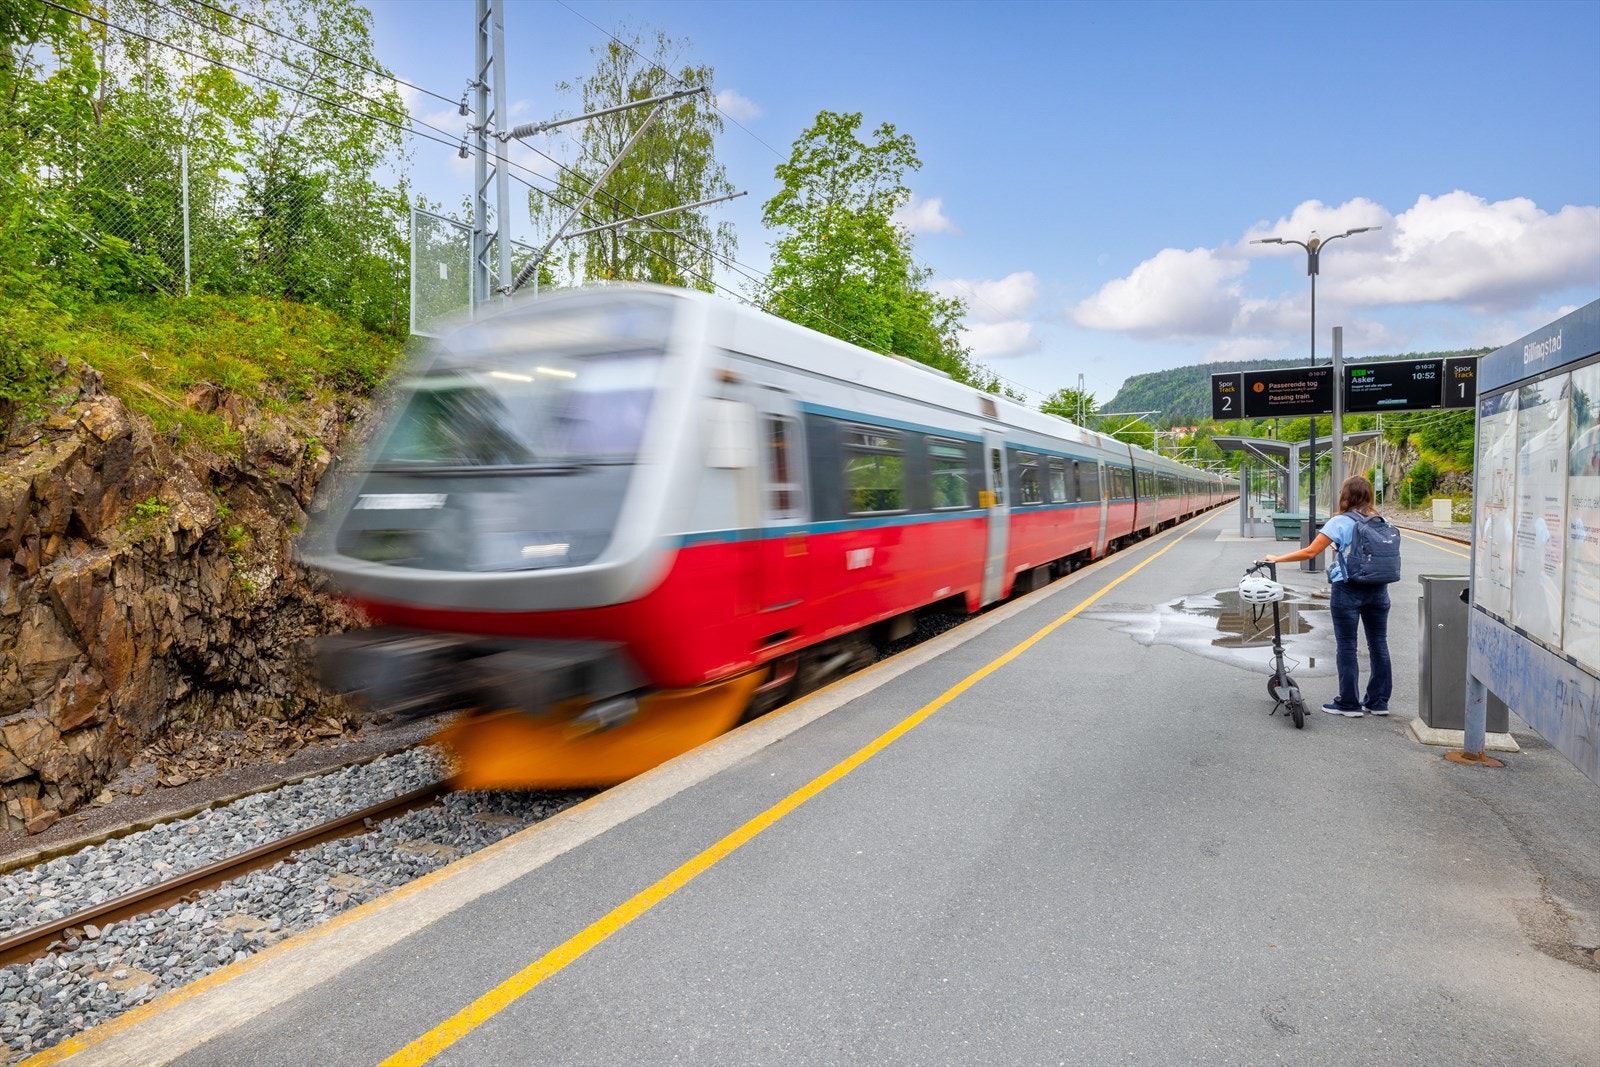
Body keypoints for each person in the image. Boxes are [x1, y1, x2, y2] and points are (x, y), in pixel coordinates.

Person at [1264, 474, 1392, 717]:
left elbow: (1311, 551)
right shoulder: (1381, 520)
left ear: (1345, 496)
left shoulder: (1340, 522)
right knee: (1379, 645)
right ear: (1369, 496)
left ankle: (1349, 703)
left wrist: (1277, 558)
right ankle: (1378, 702)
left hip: (1348, 589)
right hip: (1379, 590)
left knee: (1347, 646)